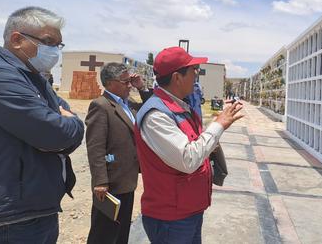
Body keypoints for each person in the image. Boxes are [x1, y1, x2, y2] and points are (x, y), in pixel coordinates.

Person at [0, 6, 85, 243]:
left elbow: (69, 123)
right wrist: (63, 124)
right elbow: (55, 134)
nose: (55, 50)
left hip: (37, 208)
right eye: (48, 42)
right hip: (10, 219)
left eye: (59, 44)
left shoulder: (35, 77)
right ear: (17, 39)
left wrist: (69, 123)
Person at [134, 46, 244, 244]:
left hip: (187, 209)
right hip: (171, 217)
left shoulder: (180, 107)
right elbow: (188, 159)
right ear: (177, 77)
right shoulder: (156, 115)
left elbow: (192, 142)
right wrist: (219, 125)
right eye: (193, 70)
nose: (196, 74)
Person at [85, 63, 151, 244]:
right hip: (110, 184)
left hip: (127, 180)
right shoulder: (101, 105)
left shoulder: (128, 104)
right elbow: (95, 146)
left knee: (121, 232)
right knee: (103, 234)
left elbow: (151, 105)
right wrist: (100, 181)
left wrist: (142, 87)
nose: (129, 85)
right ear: (110, 83)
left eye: (130, 81)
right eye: (126, 81)